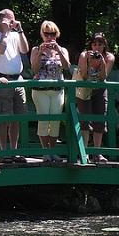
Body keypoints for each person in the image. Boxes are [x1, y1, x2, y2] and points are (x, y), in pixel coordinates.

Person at [0, 8, 30, 163]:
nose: (13, 22)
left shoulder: (15, 34)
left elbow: (25, 49)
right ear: (2, 20)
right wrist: (5, 32)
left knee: (17, 118)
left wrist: (20, 30)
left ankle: (14, 150)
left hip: (18, 80)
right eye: (10, 20)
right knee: (4, 118)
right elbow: (0, 50)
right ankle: (4, 152)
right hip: (2, 81)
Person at [30, 21, 71, 162]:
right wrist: (41, 52)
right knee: (44, 120)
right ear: (42, 34)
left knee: (55, 121)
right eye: (46, 34)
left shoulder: (63, 50)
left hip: (57, 90)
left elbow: (67, 67)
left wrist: (58, 50)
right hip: (40, 90)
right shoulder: (36, 49)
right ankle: (45, 152)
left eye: (52, 34)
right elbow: (34, 70)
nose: (49, 37)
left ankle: (52, 151)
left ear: (56, 34)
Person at [76, 32, 115, 163]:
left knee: (100, 120)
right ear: (91, 45)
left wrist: (102, 63)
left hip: (100, 89)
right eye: (94, 44)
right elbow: (85, 76)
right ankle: (85, 152)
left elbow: (103, 77)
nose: (97, 47)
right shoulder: (84, 55)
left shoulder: (109, 57)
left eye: (100, 44)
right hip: (85, 90)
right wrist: (89, 62)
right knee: (85, 121)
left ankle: (97, 153)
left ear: (104, 45)